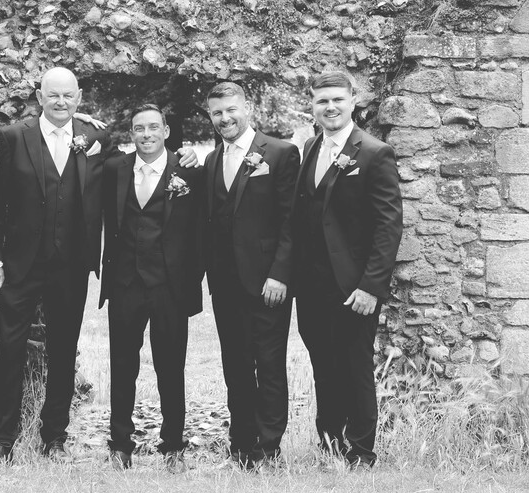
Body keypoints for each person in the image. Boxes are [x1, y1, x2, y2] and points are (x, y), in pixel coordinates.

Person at [0, 68, 197, 462]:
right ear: (39, 96)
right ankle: (2, 440)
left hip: (71, 266)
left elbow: (135, 166)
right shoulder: (13, 137)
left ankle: (54, 437)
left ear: (78, 98)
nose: (61, 102)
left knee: (63, 351)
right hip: (20, 264)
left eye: (68, 95)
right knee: (10, 349)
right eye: (53, 95)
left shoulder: (95, 138)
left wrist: (188, 154)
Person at [293, 71, 403, 468]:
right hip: (312, 285)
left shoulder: (375, 152)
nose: (330, 107)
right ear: (313, 105)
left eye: (337, 99)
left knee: (355, 365)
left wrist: (371, 286)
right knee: (323, 364)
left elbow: (388, 226)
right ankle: (330, 444)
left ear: (353, 100)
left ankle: (360, 450)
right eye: (322, 101)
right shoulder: (310, 147)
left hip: (355, 287)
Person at [99, 104, 204, 472]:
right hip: (125, 283)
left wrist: (193, 279)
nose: (146, 135)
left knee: (170, 367)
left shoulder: (190, 169)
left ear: (166, 131)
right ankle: (120, 444)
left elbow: (201, 231)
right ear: (131, 133)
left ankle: (173, 445)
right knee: (122, 366)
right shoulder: (116, 168)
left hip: (169, 286)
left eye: (153, 128)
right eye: (139, 128)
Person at [202, 82, 300, 469]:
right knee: (236, 365)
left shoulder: (278, 153)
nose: (224, 118)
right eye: (216, 113)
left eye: (231, 110)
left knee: (270, 364)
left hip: (267, 284)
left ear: (247, 108)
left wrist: (280, 274)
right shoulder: (211, 160)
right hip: (225, 285)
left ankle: (269, 446)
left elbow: (292, 221)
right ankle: (241, 443)